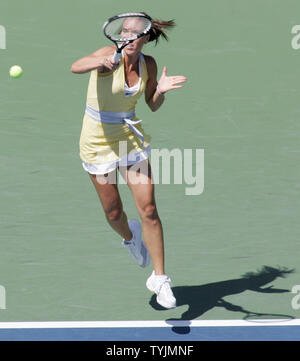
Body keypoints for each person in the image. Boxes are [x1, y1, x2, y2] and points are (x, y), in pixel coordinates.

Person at [71, 12, 186, 309]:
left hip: (129, 140)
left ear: (146, 37)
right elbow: (76, 66)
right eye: (124, 32)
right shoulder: (108, 56)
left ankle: (160, 278)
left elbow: (152, 104)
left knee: (148, 208)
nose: (127, 37)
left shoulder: (148, 64)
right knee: (113, 213)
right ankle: (130, 237)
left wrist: (160, 90)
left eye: (134, 34)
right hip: (96, 141)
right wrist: (97, 63)